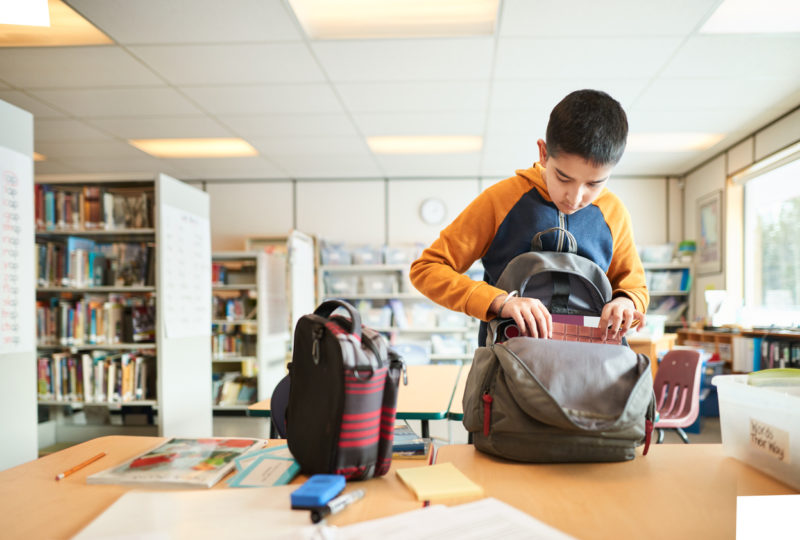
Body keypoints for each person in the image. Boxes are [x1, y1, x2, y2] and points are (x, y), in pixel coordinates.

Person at [409, 89, 648, 345]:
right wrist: (499, 302)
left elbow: (635, 288)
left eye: (594, 184)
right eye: (563, 178)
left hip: (591, 373)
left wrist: (626, 302)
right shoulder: (500, 201)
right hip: (512, 373)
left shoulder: (613, 212)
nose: (575, 197)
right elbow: (427, 269)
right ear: (543, 153)